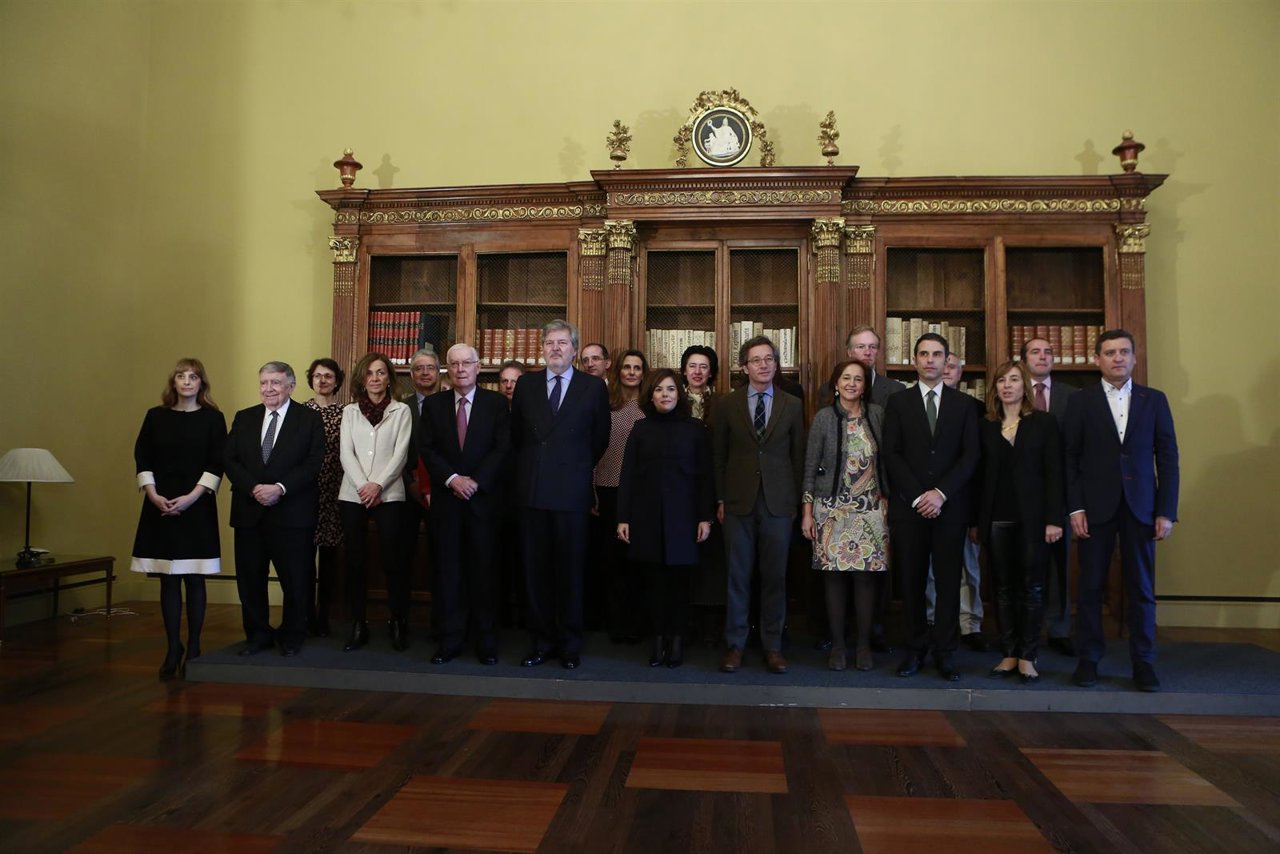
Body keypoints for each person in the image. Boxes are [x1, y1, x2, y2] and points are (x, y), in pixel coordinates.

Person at [1065, 329, 1179, 692]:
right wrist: (1075, 506)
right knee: (1090, 588)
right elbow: (1070, 458)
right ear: (1098, 359)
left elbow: (1168, 457)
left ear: (1134, 358)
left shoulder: (1154, 400)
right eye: (1110, 352)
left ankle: (1143, 663)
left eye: (1124, 352)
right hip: (1094, 507)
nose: (1118, 358)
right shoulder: (1080, 401)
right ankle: (1089, 659)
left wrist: (1166, 510)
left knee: (1142, 589)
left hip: (1142, 507)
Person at [510, 319, 610, 669]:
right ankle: (541, 641)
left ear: (574, 349)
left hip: (571, 493)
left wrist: (574, 469)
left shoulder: (593, 387)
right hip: (533, 492)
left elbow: (600, 440)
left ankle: (569, 643)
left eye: (562, 343)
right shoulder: (526, 385)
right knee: (536, 572)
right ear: (543, 348)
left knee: (570, 571)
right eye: (550, 342)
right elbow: (517, 437)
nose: (555, 348)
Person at [882, 333, 980, 681]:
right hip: (910, 510)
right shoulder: (899, 403)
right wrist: (919, 496)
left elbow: (971, 457)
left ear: (947, 361)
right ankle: (914, 650)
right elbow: (891, 454)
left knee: (950, 583)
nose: (930, 360)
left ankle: (946, 653)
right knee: (910, 582)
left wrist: (940, 494)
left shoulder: (966, 405)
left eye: (937, 354)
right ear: (914, 361)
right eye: (923, 354)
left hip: (950, 509)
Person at [714, 336, 805, 675]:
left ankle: (773, 646)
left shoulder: (792, 404)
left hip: (779, 504)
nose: (763, 365)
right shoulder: (727, 404)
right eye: (756, 360)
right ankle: (735, 645)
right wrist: (721, 497)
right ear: (744, 367)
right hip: (738, 502)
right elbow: (718, 455)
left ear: (776, 365)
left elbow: (799, 456)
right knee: (737, 576)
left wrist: (796, 503)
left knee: (775, 577)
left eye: (769, 359)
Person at [131, 358, 226, 679]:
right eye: (181, 376)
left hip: (196, 505)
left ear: (202, 383)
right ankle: (174, 647)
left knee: (194, 578)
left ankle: (195, 645)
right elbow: (142, 455)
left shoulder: (214, 419)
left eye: (194, 376)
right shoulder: (155, 417)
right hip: (160, 505)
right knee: (168, 579)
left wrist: (191, 498)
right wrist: (153, 494)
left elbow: (217, 463)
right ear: (173, 382)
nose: (187, 381)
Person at [224, 361, 325, 657]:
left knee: (295, 579)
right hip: (249, 511)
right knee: (250, 579)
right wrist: (254, 488)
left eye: (276, 383)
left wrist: (279, 488)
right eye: (264, 383)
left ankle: (293, 635)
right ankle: (257, 635)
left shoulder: (308, 419)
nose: (269, 389)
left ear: (291, 386)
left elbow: (313, 462)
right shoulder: (244, 418)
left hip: (292, 513)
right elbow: (230, 459)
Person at [419, 343, 511, 665]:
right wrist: (452, 479)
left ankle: (486, 643)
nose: (460, 369)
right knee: (449, 575)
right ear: (448, 369)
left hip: (484, 503)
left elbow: (502, 449)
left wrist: (476, 481)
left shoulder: (496, 404)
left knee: (485, 574)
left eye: (466, 363)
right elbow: (427, 449)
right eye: (454, 364)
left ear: (478, 366)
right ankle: (450, 641)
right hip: (448, 503)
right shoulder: (433, 406)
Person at [617, 369, 713, 668]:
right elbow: (627, 476)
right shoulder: (640, 428)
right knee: (654, 583)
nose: (665, 395)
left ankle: (676, 640)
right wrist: (623, 518)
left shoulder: (695, 429)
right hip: (646, 517)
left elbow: (706, 478)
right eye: (659, 390)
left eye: (671, 389)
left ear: (679, 393)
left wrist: (705, 517)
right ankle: (658, 639)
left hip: (684, 518)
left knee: (680, 584)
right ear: (651, 396)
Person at [820, 325, 906, 656]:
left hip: (874, 501)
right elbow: (818, 458)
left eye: (872, 347)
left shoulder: (892, 394)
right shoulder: (826, 402)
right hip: (835, 505)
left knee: (872, 576)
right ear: (848, 352)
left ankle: (871, 636)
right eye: (860, 347)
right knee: (836, 579)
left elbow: (891, 451)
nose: (866, 353)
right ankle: (838, 639)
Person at [800, 359, 889, 672]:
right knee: (834, 580)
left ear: (865, 385)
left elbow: (887, 462)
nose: (852, 383)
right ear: (835, 384)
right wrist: (807, 512)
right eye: (846, 378)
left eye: (859, 379)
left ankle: (863, 646)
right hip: (832, 509)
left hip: (870, 509)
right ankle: (838, 646)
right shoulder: (823, 418)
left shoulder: (877, 415)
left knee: (866, 581)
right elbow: (810, 468)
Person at [978, 360, 1064, 684]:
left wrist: (1054, 519)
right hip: (997, 517)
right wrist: (978, 522)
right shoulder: (985, 425)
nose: (1007, 385)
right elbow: (980, 477)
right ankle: (1009, 652)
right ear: (995, 388)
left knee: (1033, 588)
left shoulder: (1044, 423)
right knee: (1002, 589)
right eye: (1001, 380)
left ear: (1024, 385)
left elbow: (1055, 474)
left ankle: (1028, 655)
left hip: (1035, 520)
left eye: (1014, 379)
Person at [338, 352, 414, 652]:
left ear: (389, 377)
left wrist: (378, 485)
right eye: (369, 373)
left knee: (393, 561)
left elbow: (401, 454)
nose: (375, 378)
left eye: (381, 372)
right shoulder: (350, 412)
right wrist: (363, 487)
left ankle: (398, 621)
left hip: (390, 493)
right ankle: (359, 623)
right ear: (361, 378)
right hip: (353, 494)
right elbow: (347, 453)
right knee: (355, 561)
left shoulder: (401, 411)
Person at [925, 353, 988, 653]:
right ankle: (932, 620)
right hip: (927, 501)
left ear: (960, 373)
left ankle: (970, 624)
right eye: (942, 363)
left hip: (964, 498)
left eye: (952, 366)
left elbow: (976, 460)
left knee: (968, 568)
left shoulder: (975, 409)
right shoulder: (918, 405)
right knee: (931, 571)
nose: (945, 369)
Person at [1022, 335, 1078, 656]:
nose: (1042, 357)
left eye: (1048, 352)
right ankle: (1024, 630)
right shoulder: (1013, 392)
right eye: (1035, 352)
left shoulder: (1073, 397)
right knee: (1025, 567)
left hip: (1062, 495)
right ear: (1023, 358)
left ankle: (1058, 630)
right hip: (1024, 496)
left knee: (1060, 566)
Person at [591, 349, 648, 642]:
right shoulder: (605, 404)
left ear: (643, 373)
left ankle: (635, 623)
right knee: (608, 561)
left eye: (637, 368)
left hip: (638, 495)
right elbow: (591, 449)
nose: (631, 372)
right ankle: (611, 623)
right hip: (606, 489)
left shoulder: (649, 407)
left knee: (635, 561)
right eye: (627, 367)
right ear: (618, 371)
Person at [303, 357, 345, 637]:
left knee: (329, 559)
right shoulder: (300, 412)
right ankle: (304, 614)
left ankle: (324, 614)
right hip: (305, 489)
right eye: (317, 376)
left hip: (336, 488)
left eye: (328, 376)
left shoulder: (347, 412)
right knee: (304, 558)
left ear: (336, 380)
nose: (322, 381)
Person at [681, 344, 718, 422]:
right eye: (692, 366)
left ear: (710, 372)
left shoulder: (722, 402)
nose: (697, 372)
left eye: (703, 367)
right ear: (684, 370)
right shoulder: (675, 400)